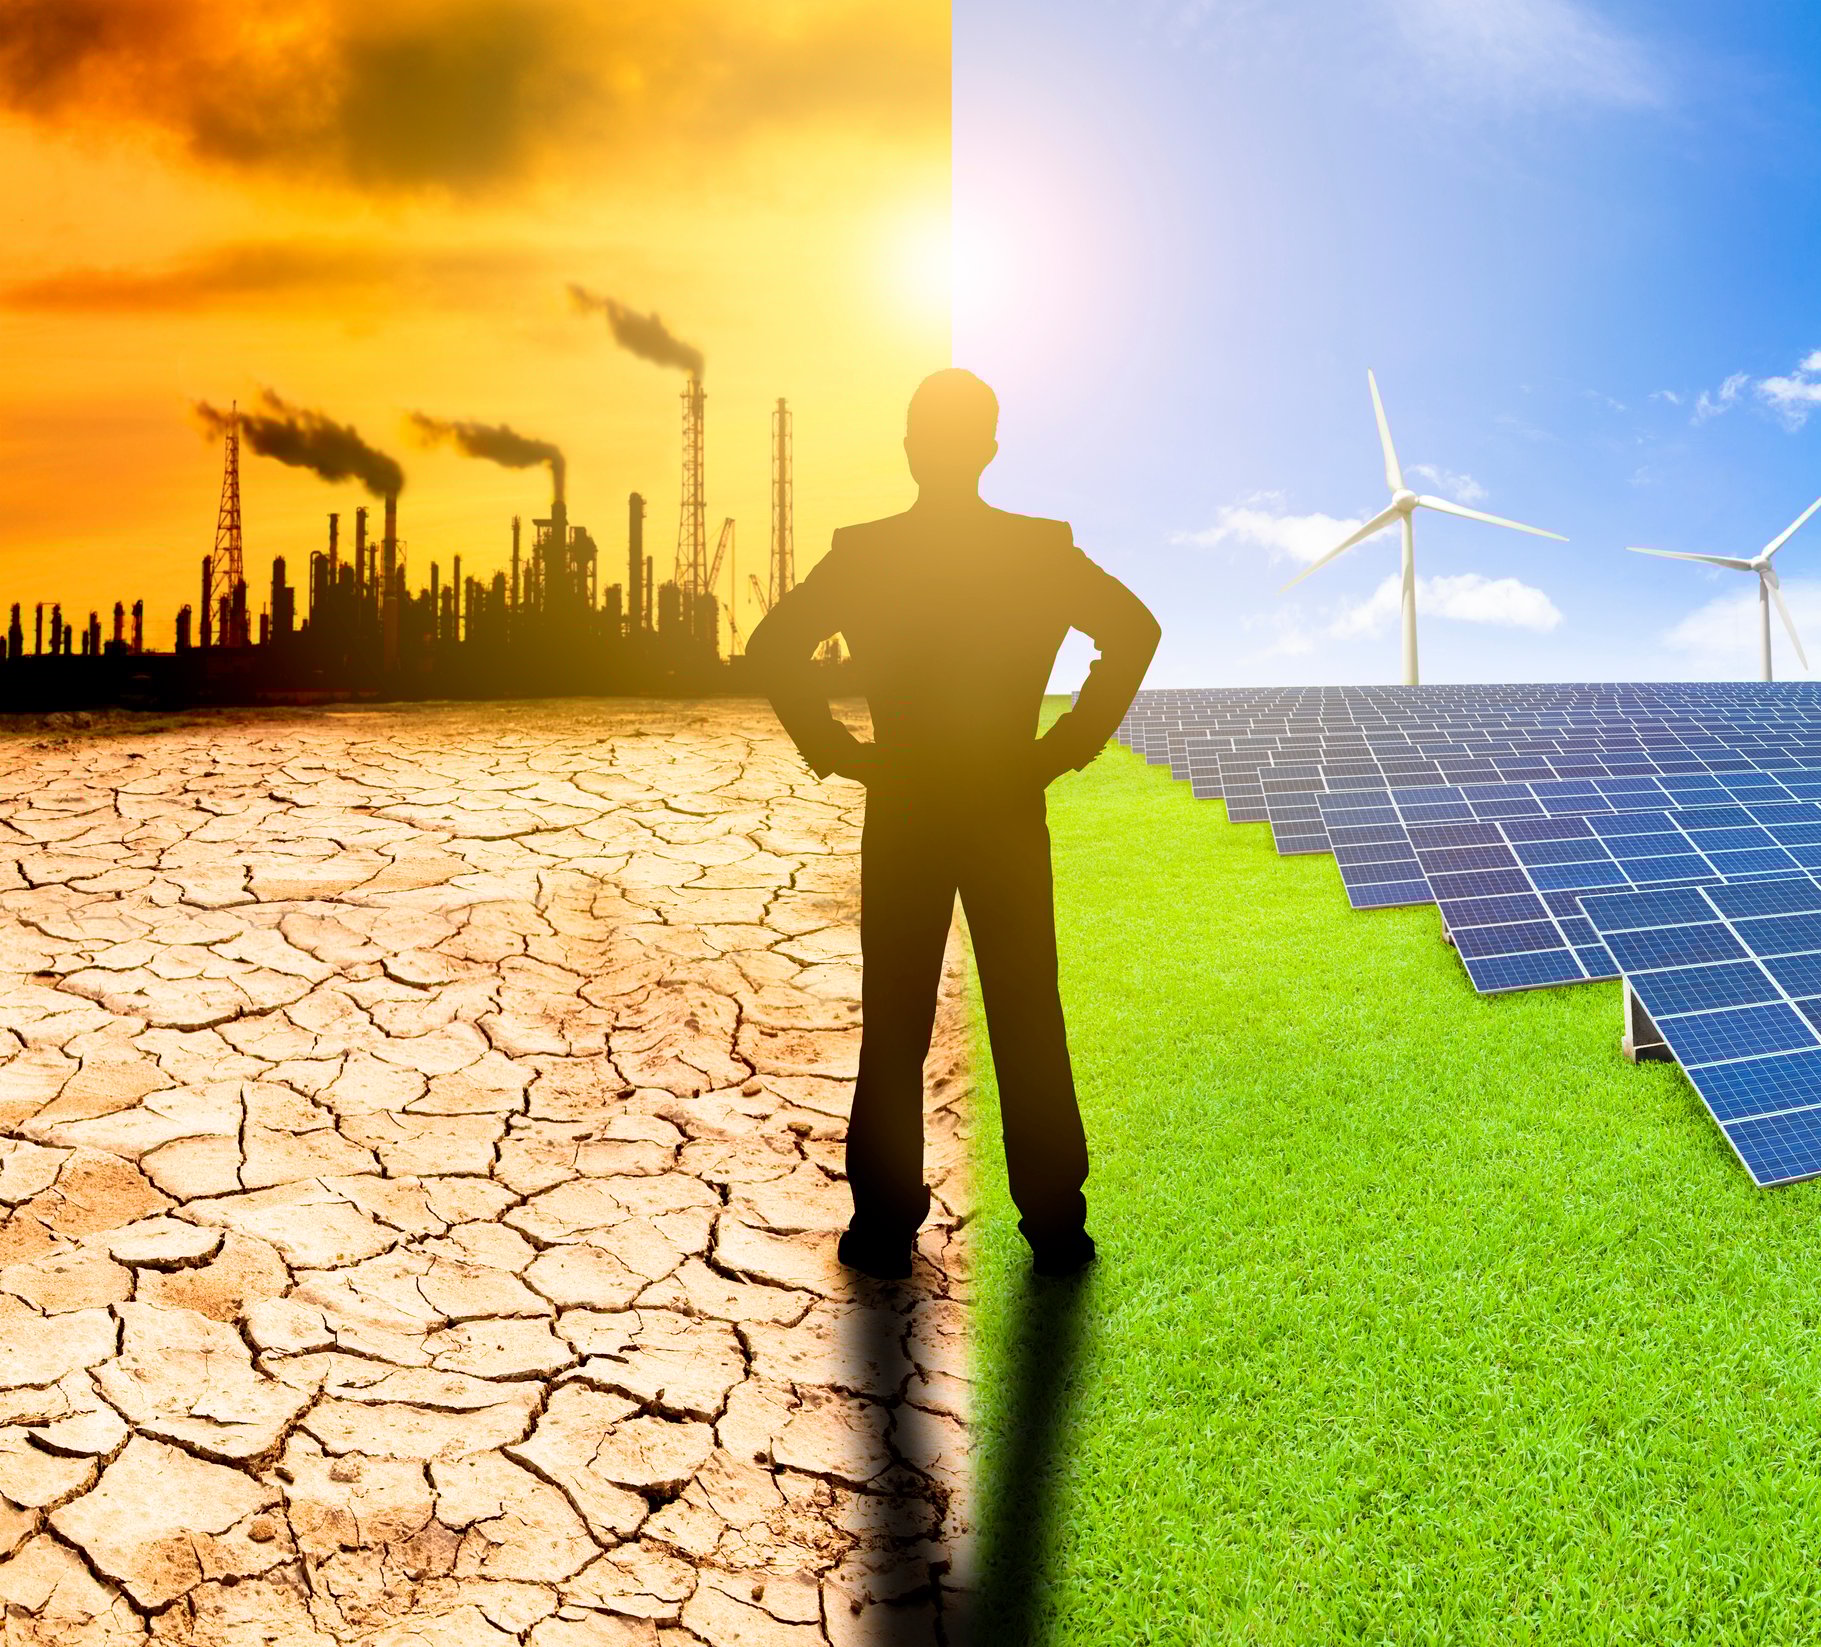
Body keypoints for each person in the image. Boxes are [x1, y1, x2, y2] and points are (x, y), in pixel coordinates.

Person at [744, 368, 1160, 1279]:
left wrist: (841, 747)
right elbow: (1135, 630)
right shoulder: (1041, 550)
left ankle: (884, 1223)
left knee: (893, 1017)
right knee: (1025, 1012)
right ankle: (1055, 1224)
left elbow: (771, 645)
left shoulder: (864, 553)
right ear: (988, 448)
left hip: (904, 800)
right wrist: (1062, 746)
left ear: (910, 448)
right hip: (1007, 798)